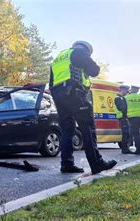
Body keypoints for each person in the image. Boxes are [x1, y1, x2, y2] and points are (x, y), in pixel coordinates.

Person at [49, 40, 117, 174]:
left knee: (67, 131)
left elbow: (51, 82)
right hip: (75, 93)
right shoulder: (79, 52)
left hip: (59, 96)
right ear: (86, 49)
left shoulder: (58, 59)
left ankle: (67, 164)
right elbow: (94, 70)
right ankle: (96, 163)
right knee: (88, 128)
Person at [114, 85, 132, 154]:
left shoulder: (123, 98)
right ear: (122, 90)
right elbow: (120, 108)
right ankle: (125, 149)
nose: (127, 92)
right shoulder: (118, 98)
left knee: (127, 133)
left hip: (124, 117)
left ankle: (126, 148)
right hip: (122, 117)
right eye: (126, 90)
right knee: (125, 133)